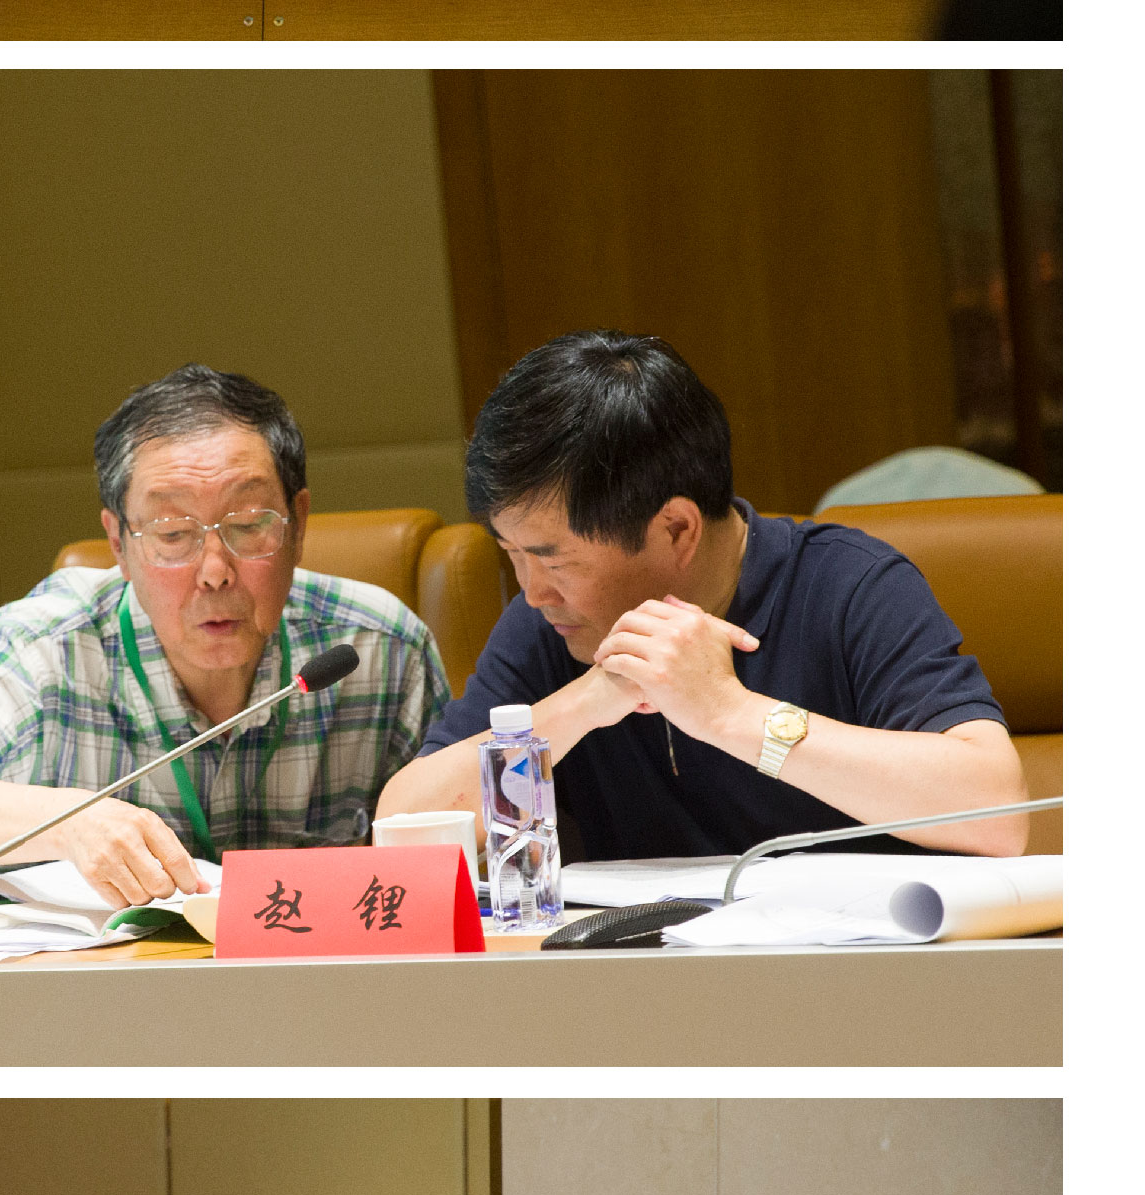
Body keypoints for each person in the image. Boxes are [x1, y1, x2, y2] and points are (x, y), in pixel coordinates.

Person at [377, 330, 1028, 860]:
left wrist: (729, 712)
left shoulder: (848, 585)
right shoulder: (550, 624)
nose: (532, 589)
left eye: (554, 559)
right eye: (511, 554)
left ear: (677, 529)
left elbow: (997, 812)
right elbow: (405, 823)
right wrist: (586, 702)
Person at [0, 364, 449, 905]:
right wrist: (72, 823)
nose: (215, 571)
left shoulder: (378, 649)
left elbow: (456, 860)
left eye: (249, 525)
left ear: (297, 526)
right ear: (118, 544)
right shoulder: (46, 648)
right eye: (173, 534)